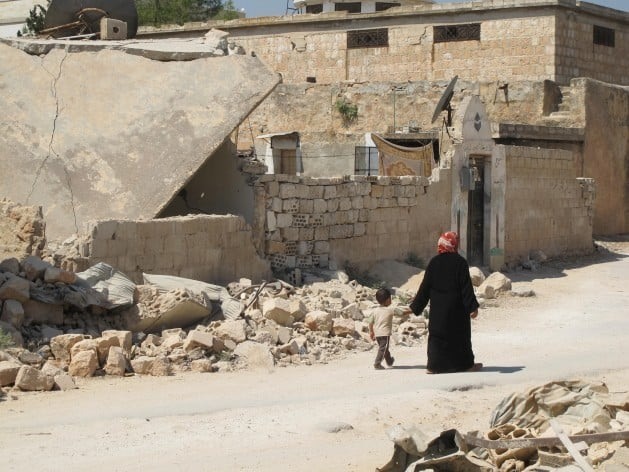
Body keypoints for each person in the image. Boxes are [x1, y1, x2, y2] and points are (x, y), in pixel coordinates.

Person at [409, 231, 482, 374]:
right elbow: (466, 288)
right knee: (460, 336)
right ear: (453, 244)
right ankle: (466, 365)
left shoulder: (433, 263)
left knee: (437, 337)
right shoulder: (460, 262)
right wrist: (472, 308)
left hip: (438, 311)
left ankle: (434, 366)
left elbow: (425, 288)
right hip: (457, 309)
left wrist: (414, 307)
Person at [368, 287, 402, 370]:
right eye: (390, 299)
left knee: (384, 348)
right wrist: (413, 310)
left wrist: (371, 332)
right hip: (385, 333)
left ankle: (389, 361)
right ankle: (377, 363)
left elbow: (370, 322)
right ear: (387, 300)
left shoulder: (374, 310)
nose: (391, 300)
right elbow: (401, 313)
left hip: (377, 334)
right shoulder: (390, 309)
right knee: (383, 349)